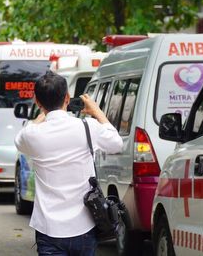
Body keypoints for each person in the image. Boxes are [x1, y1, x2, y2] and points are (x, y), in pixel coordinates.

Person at [15, 71, 123, 256]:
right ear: (67, 97)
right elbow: (116, 143)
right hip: (83, 225)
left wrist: (43, 112)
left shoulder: (31, 135)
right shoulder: (87, 127)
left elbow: (22, 136)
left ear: (38, 102)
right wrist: (96, 111)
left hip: (48, 227)